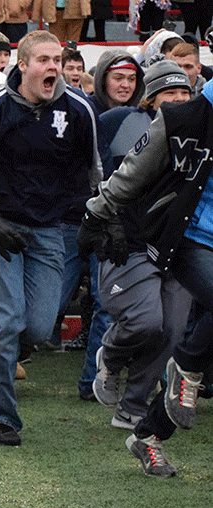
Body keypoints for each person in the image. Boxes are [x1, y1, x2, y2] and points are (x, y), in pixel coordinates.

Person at [0, 30, 103, 446]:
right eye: (44, 60)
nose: (53, 67)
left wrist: (98, 220)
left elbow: (94, 175)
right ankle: (2, 418)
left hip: (49, 230)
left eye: (57, 59)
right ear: (24, 65)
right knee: (10, 321)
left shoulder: (79, 111)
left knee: (36, 329)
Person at [78, 74, 213, 478]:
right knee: (166, 329)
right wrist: (97, 212)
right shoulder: (183, 117)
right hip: (190, 237)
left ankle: (149, 435)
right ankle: (183, 370)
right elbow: (133, 171)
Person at [93, 60, 192, 431]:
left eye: (185, 91)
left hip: (178, 246)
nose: (180, 98)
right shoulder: (116, 121)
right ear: (151, 98)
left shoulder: (198, 130)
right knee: (147, 322)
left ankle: (132, 405)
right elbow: (94, 173)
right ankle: (112, 355)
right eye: (170, 92)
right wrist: (104, 224)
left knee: (173, 330)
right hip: (129, 243)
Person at [89, 49, 145, 114]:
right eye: (118, 78)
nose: (126, 85)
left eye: (131, 79)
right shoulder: (86, 112)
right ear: (103, 80)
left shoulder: (142, 115)